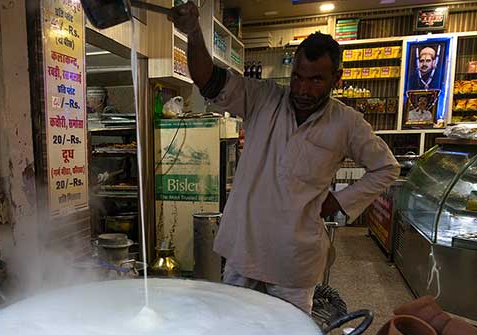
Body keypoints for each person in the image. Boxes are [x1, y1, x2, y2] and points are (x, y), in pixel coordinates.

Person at [169, 3, 400, 313]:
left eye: (316, 80)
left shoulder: (347, 123)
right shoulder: (263, 98)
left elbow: (386, 168)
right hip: (244, 247)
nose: (303, 89)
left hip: (293, 259)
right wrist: (194, 32)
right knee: (233, 331)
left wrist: (339, 201)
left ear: (337, 79)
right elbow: (208, 79)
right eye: (297, 77)